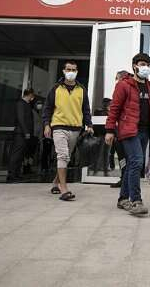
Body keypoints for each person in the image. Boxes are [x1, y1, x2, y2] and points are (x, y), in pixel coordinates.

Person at [105, 53, 150, 216]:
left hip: (145, 131)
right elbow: (114, 108)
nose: (145, 68)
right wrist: (109, 130)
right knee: (137, 162)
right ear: (134, 66)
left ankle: (123, 199)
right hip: (129, 130)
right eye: (142, 64)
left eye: (148, 65)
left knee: (131, 164)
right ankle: (136, 200)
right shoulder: (124, 85)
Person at [42, 61, 93, 201]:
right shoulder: (56, 88)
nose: (71, 72)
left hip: (75, 128)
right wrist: (46, 124)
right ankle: (64, 189)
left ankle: (55, 182)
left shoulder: (81, 89)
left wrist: (89, 124)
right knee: (63, 156)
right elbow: (47, 108)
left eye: (74, 70)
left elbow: (86, 109)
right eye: (68, 69)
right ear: (64, 71)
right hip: (58, 126)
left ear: (77, 72)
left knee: (66, 158)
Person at [9, 88, 36, 183]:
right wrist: (26, 132)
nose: (33, 98)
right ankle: (11, 175)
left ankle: (17, 174)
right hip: (20, 133)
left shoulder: (27, 104)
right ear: (29, 95)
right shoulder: (20, 103)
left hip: (24, 134)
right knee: (16, 154)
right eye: (32, 96)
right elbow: (21, 119)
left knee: (20, 155)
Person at [109, 70, 130, 189]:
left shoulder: (124, 89)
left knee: (126, 157)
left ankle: (125, 180)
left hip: (124, 132)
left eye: (117, 78)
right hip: (119, 132)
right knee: (122, 158)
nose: (116, 81)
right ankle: (123, 178)